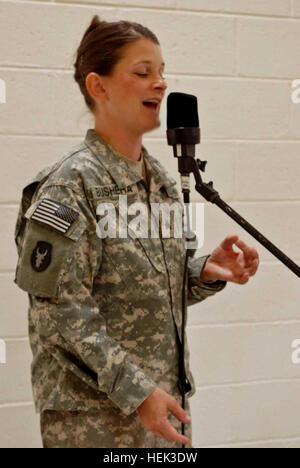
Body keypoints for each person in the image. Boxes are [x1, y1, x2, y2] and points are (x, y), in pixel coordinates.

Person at [13, 16, 259, 448]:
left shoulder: (161, 180)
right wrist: (138, 392)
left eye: (162, 73)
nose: (160, 84)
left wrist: (203, 271)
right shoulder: (70, 184)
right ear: (98, 86)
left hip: (165, 411)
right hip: (95, 421)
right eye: (143, 72)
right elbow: (59, 313)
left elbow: (151, 289)